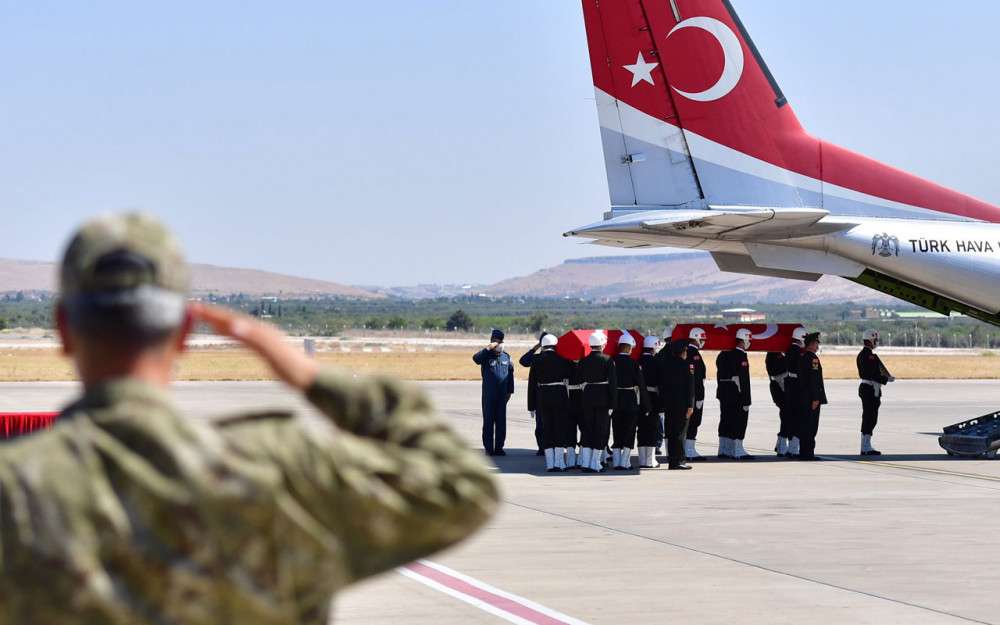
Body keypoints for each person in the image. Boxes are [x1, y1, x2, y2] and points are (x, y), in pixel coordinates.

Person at [0, 213, 499, 625]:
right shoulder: (278, 470)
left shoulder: (16, 488)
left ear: (64, 329)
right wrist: (310, 376)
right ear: (183, 334)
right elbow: (462, 485)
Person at [527, 333, 573, 472]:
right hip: (560, 396)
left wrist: (531, 406)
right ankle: (560, 463)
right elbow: (571, 375)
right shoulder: (562, 359)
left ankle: (550, 463)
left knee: (547, 429)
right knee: (559, 428)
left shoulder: (536, 360)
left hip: (543, 396)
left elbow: (532, 384)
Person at [578, 330, 616, 473]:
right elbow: (612, 384)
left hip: (587, 397)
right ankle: (595, 463)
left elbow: (579, 379)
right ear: (602, 344)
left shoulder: (584, 361)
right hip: (603, 399)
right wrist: (613, 404)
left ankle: (586, 463)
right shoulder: (608, 360)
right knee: (600, 430)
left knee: (587, 430)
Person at [473, 329, 515, 456]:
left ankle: (499, 447)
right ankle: (489, 448)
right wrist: (487, 348)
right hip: (488, 395)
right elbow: (476, 359)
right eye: (493, 340)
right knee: (488, 422)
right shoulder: (486, 356)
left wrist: (510, 392)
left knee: (501, 422)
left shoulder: (506, 357)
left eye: (498, 340)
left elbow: (510, 375)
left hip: (502, 395)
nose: (496, 343)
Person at [611, 333, 647, 470]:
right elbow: (641, 386)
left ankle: (616, 461)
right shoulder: (634, 363)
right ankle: (625, 462)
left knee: (617, 430)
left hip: (615, 400)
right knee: (629, 431)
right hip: (630, 400)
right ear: (628, 347)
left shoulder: (611, 361)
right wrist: (647, 406)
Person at [716, 328, 753, 460]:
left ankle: (724, 449)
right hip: (737, 395)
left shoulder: (722, 355)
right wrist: (747, 400)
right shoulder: (741, 355)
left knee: (726, 420)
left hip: (724, 393)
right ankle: (737, 450)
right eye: (748, 339)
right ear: (743, 340)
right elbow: (743, 380)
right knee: (739, 421)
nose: (750, 342)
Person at [857, 329, 895, 456]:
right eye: (875, 340)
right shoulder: (870, 356)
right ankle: (865, 446)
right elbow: (872, 374)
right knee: (870, 418)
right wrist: (886, 379)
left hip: (867, 388)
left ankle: (865, 445)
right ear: (871, 340)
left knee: (869, 417)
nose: (876, 342)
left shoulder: (862, 355)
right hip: (870, 389)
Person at [661, 339, 695, 470]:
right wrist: (690, 405)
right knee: (680, 433)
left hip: (669, 404)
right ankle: (679, 460)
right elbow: (690, 388)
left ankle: (672, 460)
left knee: (670, 432)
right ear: (683, 352)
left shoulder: (667, 365)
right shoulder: (687, 366)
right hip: (682, 405)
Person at [797, 332, 828, 460]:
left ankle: (804, 452)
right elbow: (814, 380)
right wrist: (816, 398)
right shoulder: (813, 358)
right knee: (811, 426)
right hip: (811, 398)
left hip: (803, 397)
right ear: (811, 344)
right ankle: (808, 453)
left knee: (804, 425)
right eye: (816, 344)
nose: (817, 346)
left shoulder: (802, 356)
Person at [520, 331, 551, 456]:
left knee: (546, 423)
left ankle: (547, 446)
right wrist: (537, 347)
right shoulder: (536, 358)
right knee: (541, 423)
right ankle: (543, 447)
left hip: (544, 395)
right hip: (541, 394)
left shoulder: (552, 357)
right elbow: (523, 361)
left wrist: (536, 347)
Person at [683, 327, 708, 462]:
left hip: (692, 394)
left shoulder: (690, 352)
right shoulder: (694, 353)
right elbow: (696, 378)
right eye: (702, 339)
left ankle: (689, 449)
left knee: (692, 422)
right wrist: (699, 396)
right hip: (695, 395)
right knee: (693, 422)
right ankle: (689, 450)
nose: (703, 341)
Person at [637, 335, 662, 468]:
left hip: (638, 397)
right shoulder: (655, 361)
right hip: (652, 397)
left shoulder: (637, 360)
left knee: (641, 429)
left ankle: (642, 459)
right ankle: (650, 460)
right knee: (652, 428)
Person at [783, 326, 807, 457]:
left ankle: (791, 446)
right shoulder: (798, 352)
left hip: (790, 384)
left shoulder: (789, 350)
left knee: (791, 416)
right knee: (798, 417)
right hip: (797, 385)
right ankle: (793, 448)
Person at [765, 350, 789, 456]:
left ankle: (781, 444)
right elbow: (777, 370)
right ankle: (782, 445)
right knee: (786, 416)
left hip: (782, 387)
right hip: (780, 388)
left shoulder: (780, 354)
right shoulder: (772, 355)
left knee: (786, 417)